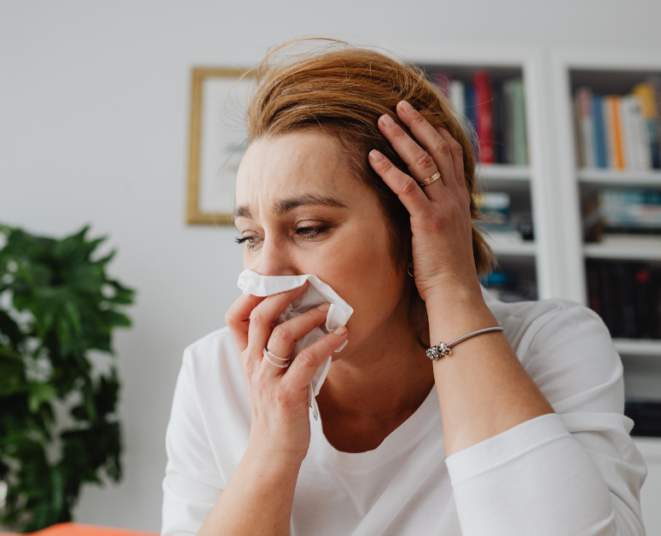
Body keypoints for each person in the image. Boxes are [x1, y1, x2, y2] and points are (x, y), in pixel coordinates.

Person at [161, 39, 647, 536]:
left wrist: (451, 286)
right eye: (250, 237)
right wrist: (271, 445)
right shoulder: (212, 372)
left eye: (308, 228)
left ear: (418, 225)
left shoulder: (550, 344)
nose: (267, 272)